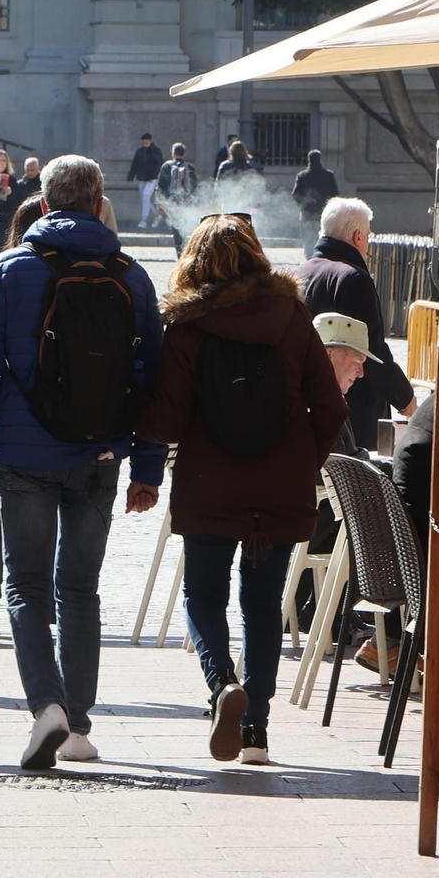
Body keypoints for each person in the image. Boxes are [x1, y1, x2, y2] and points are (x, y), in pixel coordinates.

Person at [0, 154, 166, 770]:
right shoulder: (132, 276)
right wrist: (147, 468)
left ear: (42, 199)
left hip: (25, 451)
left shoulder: (7, 272)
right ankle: (81, 725)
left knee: (28, 584)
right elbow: (151, 382)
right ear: (98, 202)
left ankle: (47, 709)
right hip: (101, 452)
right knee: (80, 588)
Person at [135, 213, 347, 766]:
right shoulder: (293, 317)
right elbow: (331, 407)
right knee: (262, 606)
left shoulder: (186, 327)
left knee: (203, 597)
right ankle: (256, 730)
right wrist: (302, 461)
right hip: (280, 488)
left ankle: (222, 683)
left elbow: (166, 421)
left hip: (210, 484)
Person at [298, 197, 416, 449]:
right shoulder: (353, 278)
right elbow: (372, 348)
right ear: (357, 236)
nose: (368, 245)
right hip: (353, 410)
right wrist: (404, 396)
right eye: (368, 237)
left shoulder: (300, 272)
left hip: (310, 400)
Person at [291, 150, 341, 259]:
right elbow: (335, 194)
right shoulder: (329, 175)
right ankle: (322, 254)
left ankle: (309, 256)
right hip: (324, 212)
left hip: (307, 212)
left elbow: (295, 195)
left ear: (308, 160)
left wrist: (303, 202)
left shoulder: (302, 175)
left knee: (308, 237)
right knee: (323, 234)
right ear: (320, 159)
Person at [127, 133, 164, 228]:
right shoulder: (140, 151)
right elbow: (135, 164)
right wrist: (131, 176)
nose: (145, 144)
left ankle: (144, 220)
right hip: (143, 178)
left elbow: (159, 164)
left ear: (150, 141)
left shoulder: (155, 151)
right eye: (144, 143)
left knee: (145, 197)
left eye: (146, 143)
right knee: (145, 199)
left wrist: (131, 176)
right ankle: (156, 215)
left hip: (151, 179)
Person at [155, 143, 198, 217]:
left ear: (173, 153)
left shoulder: (166, 166)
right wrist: (194, 201)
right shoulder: (190, 166)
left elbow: (160, 185)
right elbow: (194, 185)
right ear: (183, 154)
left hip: (170, 199)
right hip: (185, 200)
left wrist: (159, 202)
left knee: (173, 221)